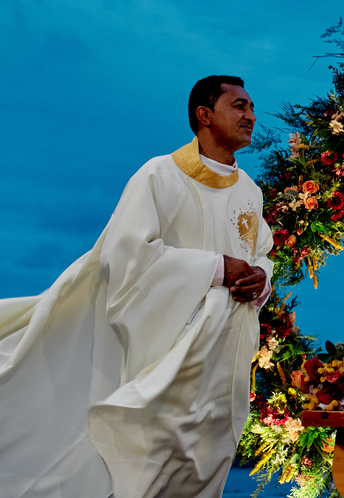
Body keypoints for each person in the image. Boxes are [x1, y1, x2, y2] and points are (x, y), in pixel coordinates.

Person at [0, 76, 274, 498]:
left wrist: (261, 276)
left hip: (222, 363)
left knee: (207, 463)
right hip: (164, 355)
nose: (251, 116)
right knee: (149, 462)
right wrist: (216, 268)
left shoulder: (250, 193)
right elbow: (127, 256)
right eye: (239, 106)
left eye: (251, 106)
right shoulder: (159, 175)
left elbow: (261, 254)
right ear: (204, 115)